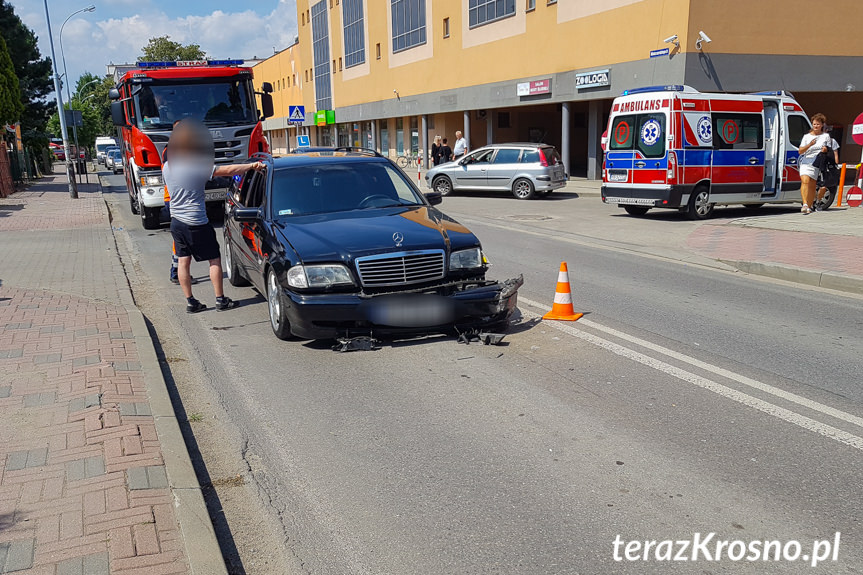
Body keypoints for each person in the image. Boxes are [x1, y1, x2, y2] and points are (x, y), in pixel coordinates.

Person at [163, 118, 265, 313]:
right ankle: (220, 299)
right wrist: (251, 166)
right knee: (214, 260)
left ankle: (191, 302)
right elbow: (226, 170)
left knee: (183, 261)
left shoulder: (167, 167)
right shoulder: (194, 165)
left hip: (176, 222)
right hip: (196, 222)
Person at [797, 113, 832, 214]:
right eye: (814, 124)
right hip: (806, 161)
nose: (816, 126)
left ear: (822, 125)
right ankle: (804, 204)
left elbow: (829, 149)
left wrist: (825, 150)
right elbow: (800, 151)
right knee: (805, 181)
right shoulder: (806, 136)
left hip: (817, 163)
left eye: (818, 124)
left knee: (812, 185)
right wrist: (810, 144)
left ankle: (809, 205)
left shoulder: (825, 136)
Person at [814, 129, 841, 211]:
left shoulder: (833, 142)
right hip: (818, 165)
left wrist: (836, 165)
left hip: (827, 167)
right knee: (814, 185)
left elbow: (836, 154)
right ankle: (811, 202)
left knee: (824, 185)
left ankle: (817, 203)